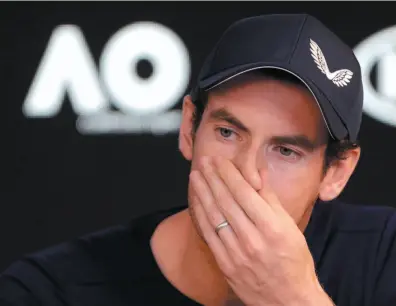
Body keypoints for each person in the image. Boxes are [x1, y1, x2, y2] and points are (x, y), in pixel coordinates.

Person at [1, 13, 395, 306]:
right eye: (228, 133)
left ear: (337, 171)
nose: (247, 174)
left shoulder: (383, 256)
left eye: (286, 151)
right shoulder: (50, 291)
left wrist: (295, 299)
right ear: (190, 127)